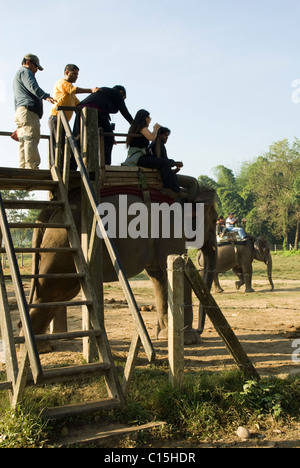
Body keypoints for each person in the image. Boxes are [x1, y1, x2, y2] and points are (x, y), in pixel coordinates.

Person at [48, 64, 99, 166]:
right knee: (57, 144)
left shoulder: (71, 95)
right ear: (67, 73)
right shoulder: (62, 83)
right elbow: (72, 89)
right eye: (74, 74)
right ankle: (55, 166)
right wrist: (90, 90)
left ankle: (63, 166)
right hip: (56, 117)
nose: (76, 76)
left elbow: (79, 105)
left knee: (64, 143)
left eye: (77, 74)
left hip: (64, 121)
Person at [122, 110, 181, 193]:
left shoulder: (136, 127)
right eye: (149, 117)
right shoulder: (141, 127)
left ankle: (174, 188)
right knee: (164, 162)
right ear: (144, 118)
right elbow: (151, 137)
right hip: (138, 158)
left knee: (163, 162)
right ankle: (172, 189)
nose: (150, 119)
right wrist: (155, 129)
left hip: (141, 156)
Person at [13, 54, 55, 169]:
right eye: (36, 66)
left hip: (20, 111)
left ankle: (23, 167)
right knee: (31, 137)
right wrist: (45, 96)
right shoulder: (26, 72)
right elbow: (33, 86)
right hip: (28, 111)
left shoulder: (18, 74)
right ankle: (32, 167)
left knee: (23, 139)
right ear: (28, 62)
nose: (36, 70)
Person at [73, 85, 133, 165]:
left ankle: (71, 167)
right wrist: (135, 125)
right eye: (123, 98)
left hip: (80, 111)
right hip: (94, 110)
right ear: (121, 92)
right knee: (109, 138)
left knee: (77, 139)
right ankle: (105, 166)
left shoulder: (104, 94)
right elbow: (125, 112)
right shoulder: (117, 94)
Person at [149, 126, 200, 201]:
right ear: (159, 134)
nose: (167, 138)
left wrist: (175, 170)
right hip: (164, 178)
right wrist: (176, 163)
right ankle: (190, 207)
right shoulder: (159, 144)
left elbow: (163, 165)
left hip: (165, 174)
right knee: (193, 182)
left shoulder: (153, 144)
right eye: (165, 135)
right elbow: (163, 162)